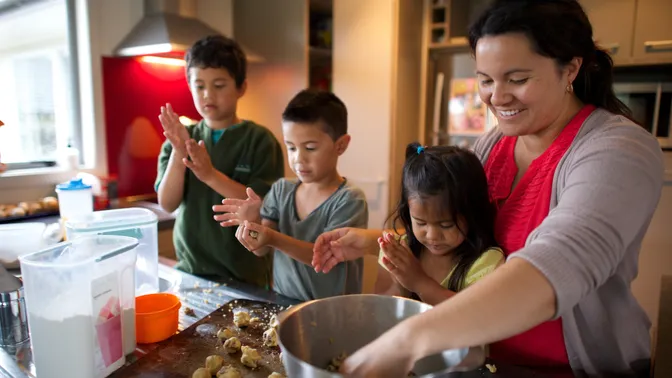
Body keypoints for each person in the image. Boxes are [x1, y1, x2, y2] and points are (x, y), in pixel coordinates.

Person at [312, 0, 664, 376]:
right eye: (485, 79)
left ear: (571, 69)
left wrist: (410, 339)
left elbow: (559, 263)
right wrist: (372, 241)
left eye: (517, 79)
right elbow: (450, 227)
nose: (497, 97)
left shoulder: (617, 148)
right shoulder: (492, 146)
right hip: (485, 363)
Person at [213, 89, 368, 301]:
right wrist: (252, 225)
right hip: (283, 303)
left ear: (340, 145)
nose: (298, 159)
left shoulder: (350, 200)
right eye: (291, 148)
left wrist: (272, 238)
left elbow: (323, 256)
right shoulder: (281, 190)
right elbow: (261, 249)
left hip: (334, 312)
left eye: (310, 148)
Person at [155, 35, 284, 288]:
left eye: (219, 85)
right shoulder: (181, 138)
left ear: (241, 88)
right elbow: (167, 203)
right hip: (190, 271)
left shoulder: (260, 141)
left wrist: (210, 174)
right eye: (199, 85)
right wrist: (180, 151)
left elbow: (261, 208)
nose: (207, 95)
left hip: (245, 276)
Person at [372, 142, 503, 305]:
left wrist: (419, 282)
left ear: (472, 213)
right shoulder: (401, 249)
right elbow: (383, 307)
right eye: (420, 223)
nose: (432, 236)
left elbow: (473, 316)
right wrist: (399, 280)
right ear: (408, 213)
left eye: (446, 225)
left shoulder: (486, 262)